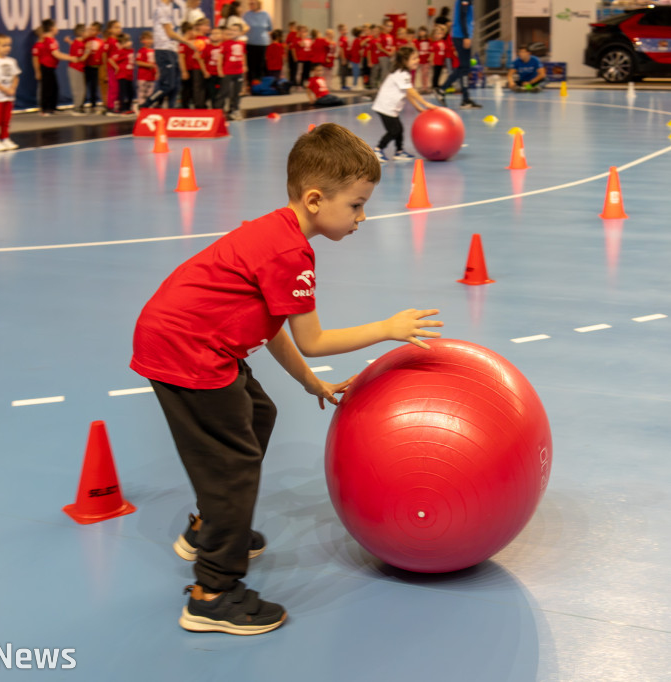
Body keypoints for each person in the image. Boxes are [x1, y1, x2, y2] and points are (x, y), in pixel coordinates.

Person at [130, 122, 442, 635]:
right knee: (234, 467)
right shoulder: (290, 252)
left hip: (193, 339)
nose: (363, 217)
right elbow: (314, 340)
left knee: (258, 412)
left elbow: (274, 327)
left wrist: (308, 382)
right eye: (357, 205)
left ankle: (213, 523)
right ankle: (214, 593)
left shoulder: (278, 230)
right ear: (316, 199)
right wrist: (387, 328)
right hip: (190, 350)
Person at [372, 46, 437, 163]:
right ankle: (377, 150)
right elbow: (411, 91)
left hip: (390, 108)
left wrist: (417, 107)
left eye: (417, 58)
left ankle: (399, 151)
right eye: (413, 58)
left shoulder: (404, 73)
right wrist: (425, 104)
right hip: (385, 107)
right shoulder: (401, 73)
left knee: (399, 129)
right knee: (394, 131)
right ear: (404, 61)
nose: (417, 60)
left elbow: (407, 92)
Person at [143, 0, 189, 109]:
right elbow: (170, 33)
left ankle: (171, 110)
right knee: (167, 85)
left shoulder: (169, 8)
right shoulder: (162, 10)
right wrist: (188, 42)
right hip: (164, 50)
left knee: (175, 85)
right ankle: (145, 105)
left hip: (172, 50)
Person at [435, 0, 481, 109]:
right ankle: (442, 89)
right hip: (461, 36)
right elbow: (462, 17)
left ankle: (465, 99)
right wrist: (466, 36)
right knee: (463, 68)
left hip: (462, 35)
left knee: (464, 68)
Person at [32, 19, 74, 116]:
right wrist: (71, 58)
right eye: (56, 26)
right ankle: (45, 109)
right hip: (45, 67)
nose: (57, 28)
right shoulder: (48, 40)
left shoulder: (51, 40)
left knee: (54, 88)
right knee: (46, 88)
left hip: (51, 67)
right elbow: (56, 54)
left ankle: (52, 107)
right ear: (51, 28)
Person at [220, 23, 246, 119]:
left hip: (238, 71)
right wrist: (220, 70)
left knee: (237, 92)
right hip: (228, 72)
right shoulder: (225, 44)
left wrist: (244, 66)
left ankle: (234, 109)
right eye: (231, 30)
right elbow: (221, 57)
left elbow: (243, 55)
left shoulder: (241, 44)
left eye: (235, 30)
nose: (232, 32)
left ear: (239, 32)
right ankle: (220, 110)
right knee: (225, 91)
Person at [243, 0, 272, 83]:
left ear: (258, 4)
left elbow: (269, 28)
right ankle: (251, 82)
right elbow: (243, 27)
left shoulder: (265, 14)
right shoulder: (247, 14)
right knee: (251, 63)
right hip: (250, 42)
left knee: (261, 63)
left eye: (253, 4)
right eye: (250, 4)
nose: (251, 5)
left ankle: (261, 81)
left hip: (262, 42)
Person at [83, 22, 106, 112]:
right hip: (85, 66)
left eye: (94, 30)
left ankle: (93, 104)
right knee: (83, 86)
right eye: (90, 29)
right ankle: (82, 104)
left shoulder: (100, 42)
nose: (92, 31)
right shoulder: (85, 40)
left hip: (95, 67)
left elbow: (102, 55)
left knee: (93, 86)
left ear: (99, 32)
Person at [110, 33, 136, 114]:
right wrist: (116, 67)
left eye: (129, 41)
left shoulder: (131, 50)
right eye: (125, 42)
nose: (129, 43)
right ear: (121, 45)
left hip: (129, 75)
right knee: (123, 92)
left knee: (131, 93)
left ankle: (128, 107)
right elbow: (110, 59)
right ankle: (122, 108)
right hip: (122, 75)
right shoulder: (121, 52)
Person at [67, 24, 87, 115]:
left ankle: (79, 107)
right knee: (78, 89)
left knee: (81, 89)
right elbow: (80, 58)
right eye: (86, 31)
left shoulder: (79, 43)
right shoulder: (78, 43)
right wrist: (88, 51)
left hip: (79, 68)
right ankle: (77, 108)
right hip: (75, 68)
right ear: (81, 33)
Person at [202, 26, 225, 108]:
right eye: (212, 33)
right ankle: (214, 109)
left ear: (222, 35)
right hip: (211, 74)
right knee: (212, 93)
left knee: (221, 93)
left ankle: (220, 110)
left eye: (217, 33)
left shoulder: (224, 46)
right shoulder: (207, 47)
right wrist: (205, 71)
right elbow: (202, 60)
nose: (214, 35)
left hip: (221, 74)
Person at [135, 31, 158, 110]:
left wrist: (156, 72)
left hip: (151, 76)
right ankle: (141, 105)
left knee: (150, 92)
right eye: (146, 39)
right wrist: (148, 65)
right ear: (142, 40)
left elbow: (156, 64)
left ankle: (148, 105)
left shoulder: (153, 51)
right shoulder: (141, 51)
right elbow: (138, 61)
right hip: (143, 76)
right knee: (142, 92)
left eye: (150, 39)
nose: (149, 41)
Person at [415, 26, 432, 92]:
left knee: (425, 73)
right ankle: (421, 87)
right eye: (420, 31)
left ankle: (425, 87)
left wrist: (430, 58)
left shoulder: (429, 40)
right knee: (419, 73)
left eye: (423, 31)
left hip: (426, 60)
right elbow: (416, 50)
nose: (422, 33)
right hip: (419, 59)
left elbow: (431, 49)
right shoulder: (417, 41)